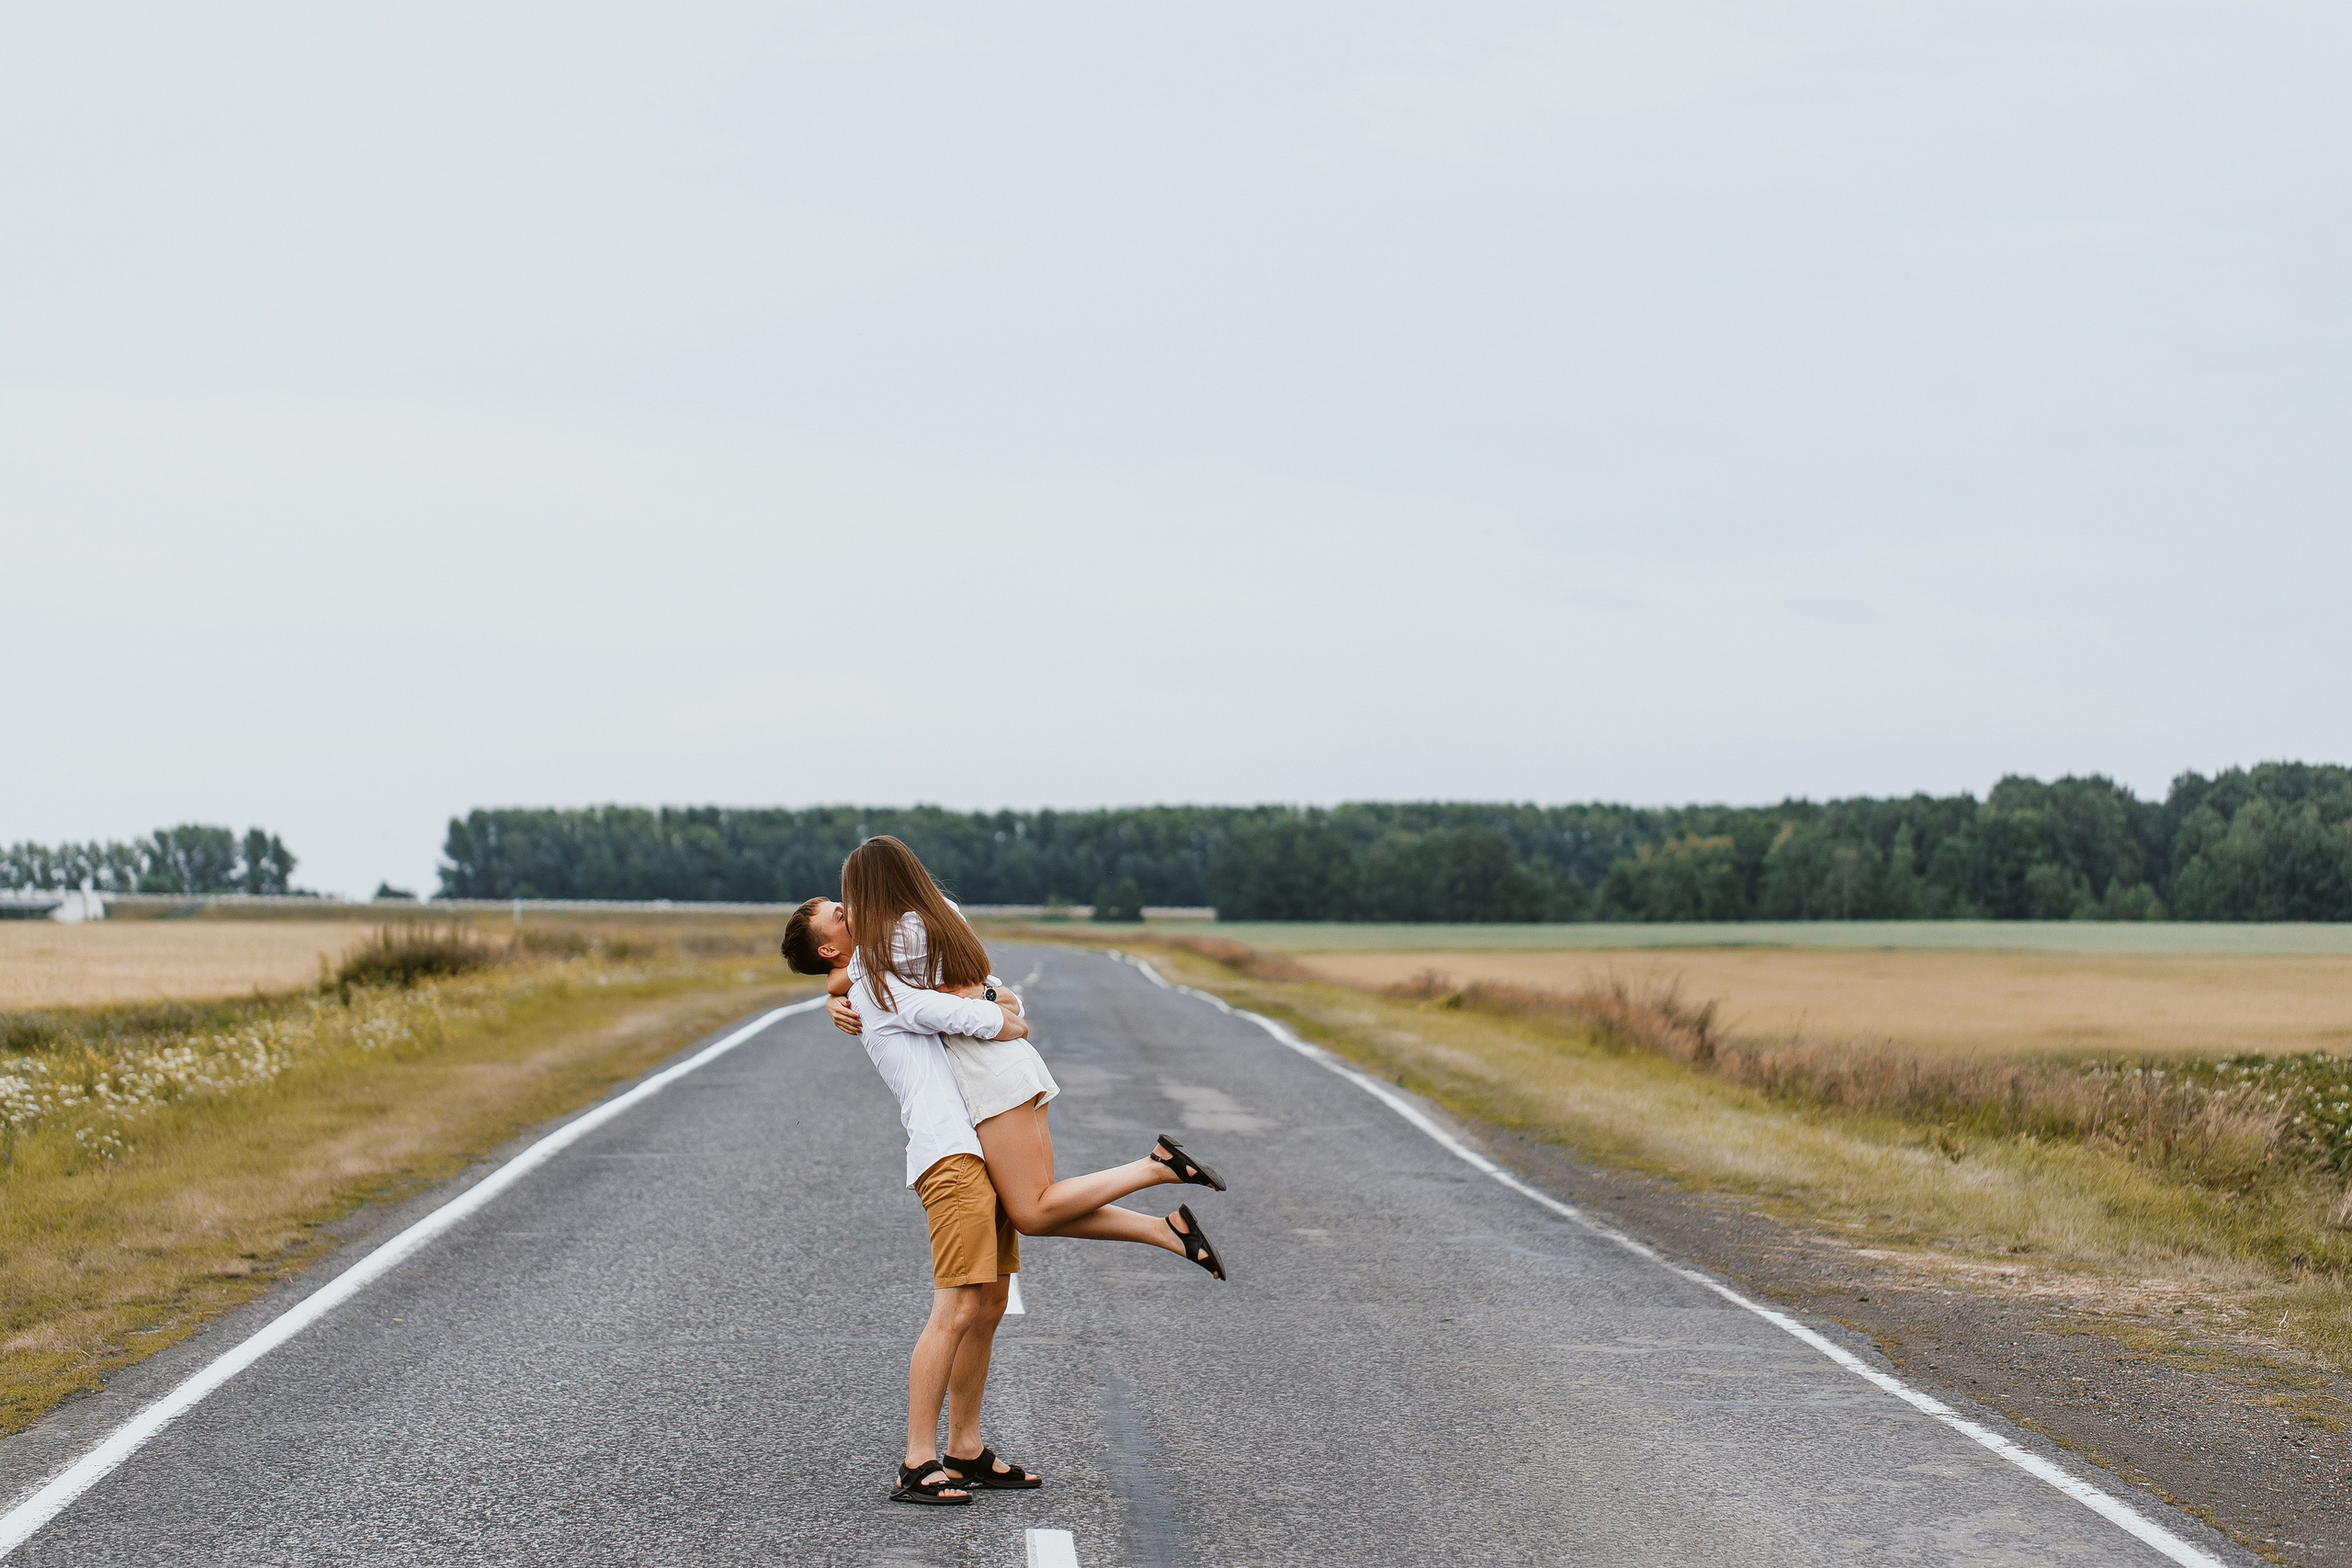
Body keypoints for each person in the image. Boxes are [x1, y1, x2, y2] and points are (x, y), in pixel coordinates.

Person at [779, 837, 1227, 1507]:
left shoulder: (873, 972)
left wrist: (837, 990)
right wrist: (1001, 1015)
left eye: (846, 905)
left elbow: (907, 970)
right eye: (838, 916)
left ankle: (965, 1448)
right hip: (948, 1156)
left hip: (973, 1148)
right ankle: (916, 1460)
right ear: (828, 947)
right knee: (956, 1307)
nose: (850, 913)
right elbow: (965, 1011)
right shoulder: (877, 984)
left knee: (988, 1304)